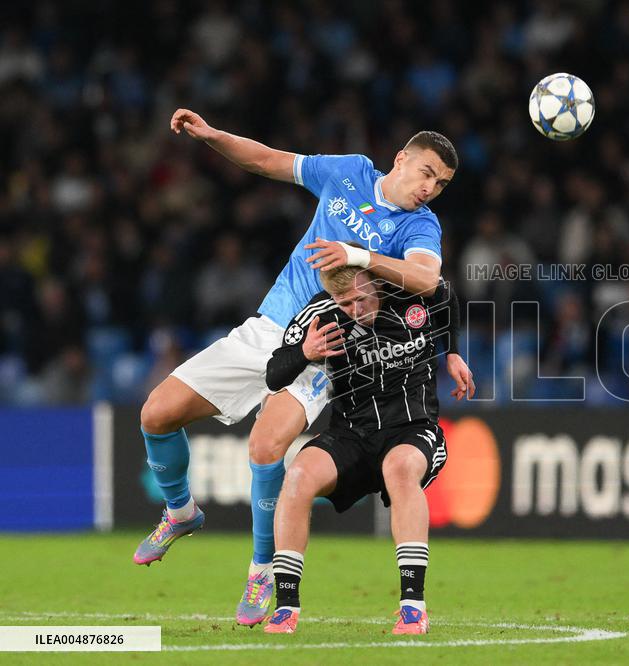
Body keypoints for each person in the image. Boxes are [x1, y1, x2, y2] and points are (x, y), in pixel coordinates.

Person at [133, 109, 475, 628]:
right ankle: (180, 512)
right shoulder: (347, 171)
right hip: (267, 327)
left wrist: (357, 255)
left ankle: (262, 566)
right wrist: (212, 136)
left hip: (327, 343)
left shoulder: (420, 225)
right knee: (156, 414)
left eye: (442, 183)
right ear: (401, 159)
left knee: (266, 445)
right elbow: (269, 161)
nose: (431, 188)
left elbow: (427, 279)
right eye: (427, 172)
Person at [261, 263, 469, 635]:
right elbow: (274, 373)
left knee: (400, 470)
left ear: (374, 282)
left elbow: (446, 293)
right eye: (345, 303)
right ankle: (286, 608)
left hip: (413, 427)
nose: (356, 310)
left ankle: (412, 608)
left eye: (361, 298)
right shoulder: (319, 314)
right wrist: (306, 352)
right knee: (296, 476)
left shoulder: (410, 293)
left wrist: (452, 352)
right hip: (351, 435)